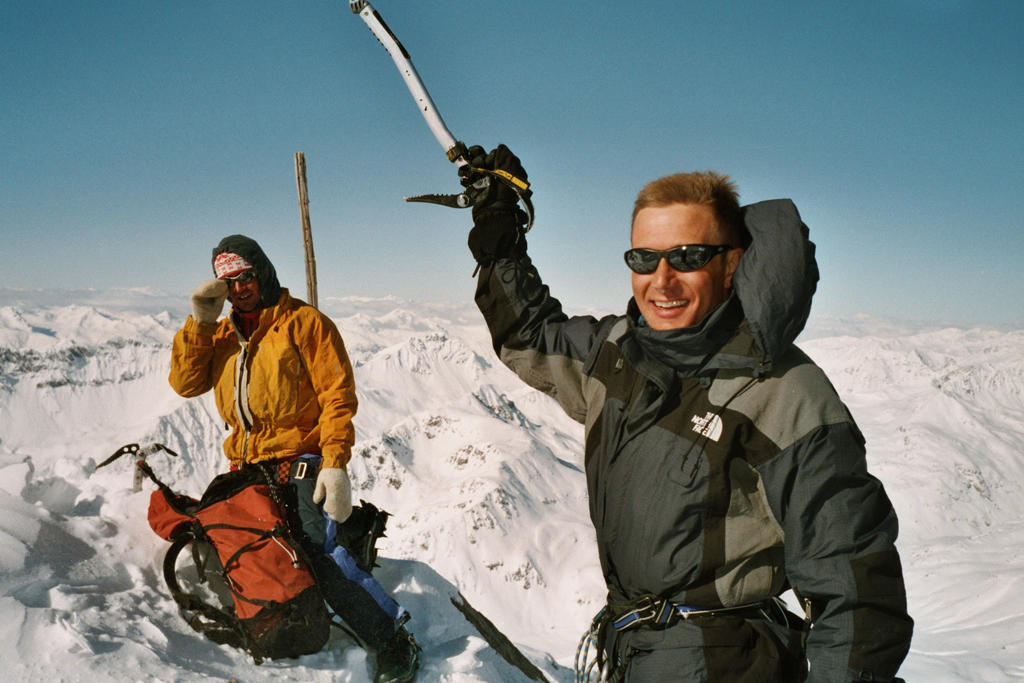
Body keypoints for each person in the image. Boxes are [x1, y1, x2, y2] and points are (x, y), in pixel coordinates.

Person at [464, 146, 913, 682]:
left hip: (727, 664)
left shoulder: (783, 392)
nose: (661, 279)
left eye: (687, 256)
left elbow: (856, 589)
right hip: (637, 652)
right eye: (642, 259)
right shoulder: (617, 351)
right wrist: (501, 237)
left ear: (732, 264)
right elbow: (530, 336)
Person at [168, 235, 420, 683]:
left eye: (246, 276)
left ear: (262, 272)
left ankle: (392, 640)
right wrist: (200, 324)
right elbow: (186, 384)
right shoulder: (222, 334)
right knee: (246, 541)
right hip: (246, 463)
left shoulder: (304, 323)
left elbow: (337, 398)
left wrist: (335, 462)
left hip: (300, 454)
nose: (240, 288)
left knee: (315, 548)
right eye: (228, 281)